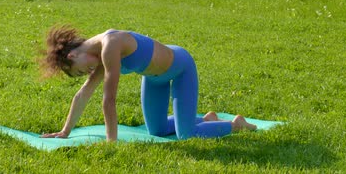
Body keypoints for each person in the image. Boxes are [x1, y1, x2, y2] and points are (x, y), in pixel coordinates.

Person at [39, 26, 256, 142]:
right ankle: (207, 119)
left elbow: (109, 99)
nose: (87, 73)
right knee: (158, 131)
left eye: (80, 70)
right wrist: (65, 131)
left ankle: (236, 124)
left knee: (186, 135)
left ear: (73, 54)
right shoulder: (100, 56)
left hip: (180, 68)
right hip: (154, 79)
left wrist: (111, 142)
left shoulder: (109, 45)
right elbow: (83, 93)